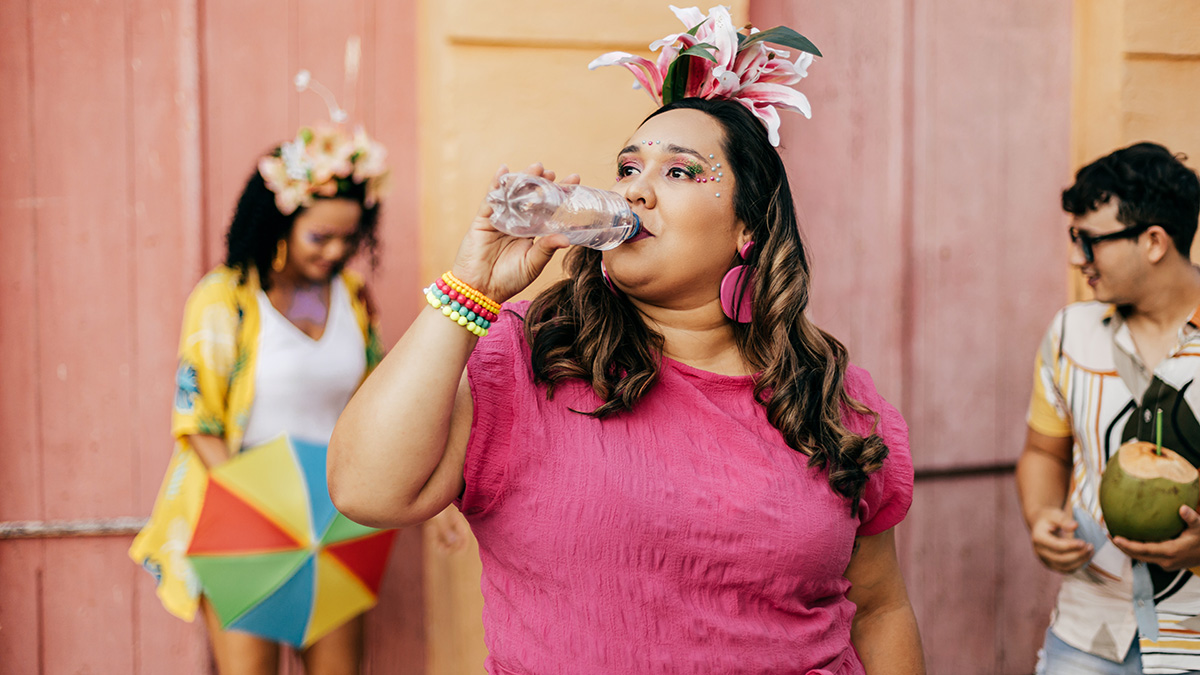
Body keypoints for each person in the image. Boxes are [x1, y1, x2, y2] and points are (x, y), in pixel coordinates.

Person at [329, 8, 923, 673]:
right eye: (628, 167)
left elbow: (879, 608)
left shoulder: (827, 394)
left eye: (678, 172)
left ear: (746, 230)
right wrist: (473, 288)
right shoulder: (528, 358)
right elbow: (364, 488)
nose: (635, 189)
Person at [130, 124, 393, 674]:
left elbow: (378, 402)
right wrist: (258, 506)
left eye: (349, 237)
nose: (337, 251)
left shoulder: (352, 298)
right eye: (320, 237)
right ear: (280, 224)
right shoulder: (226, 298)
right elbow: (197, 422)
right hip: (244, 517)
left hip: (332, 522)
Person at [1017, 142, 1200, 674]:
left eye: (1089, 240)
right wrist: (1041, 516)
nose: (1077, 258)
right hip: (1086, 634)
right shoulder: (1069, 332)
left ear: (1153, 241)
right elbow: (1042, 453)